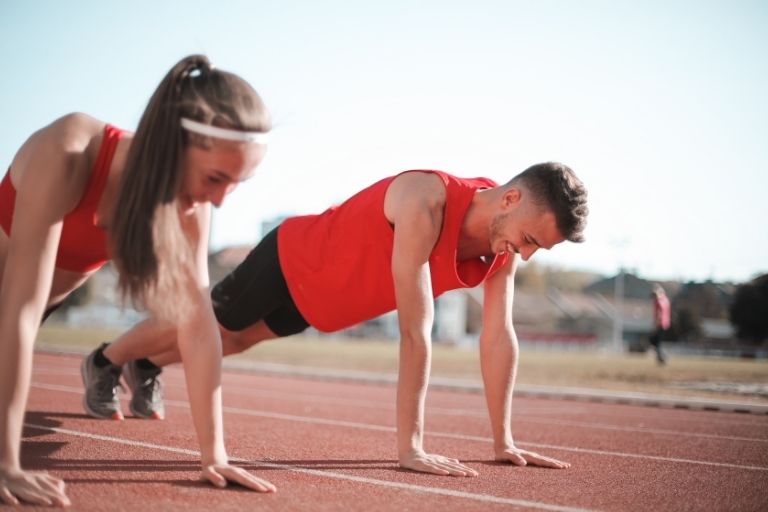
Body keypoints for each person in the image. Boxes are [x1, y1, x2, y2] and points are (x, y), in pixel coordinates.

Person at [91, 162, 589, 478]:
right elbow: (416, 332)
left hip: (326, 303)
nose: (526, 253)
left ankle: (146, 367)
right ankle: (106, 360)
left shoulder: (505, 252)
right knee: (214, 323)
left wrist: (502, 440)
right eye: (529, 239)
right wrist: (409, 448)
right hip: (294, 257)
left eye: (537, 248)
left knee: (236, 342)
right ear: (509, 199)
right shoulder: (426, 200)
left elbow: (499, 336)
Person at [0, 55, 277, 507]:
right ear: (171, 143)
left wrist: (215, 455)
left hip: (31, 309)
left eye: (237, 183)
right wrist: (6, 462)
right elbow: (18, 309)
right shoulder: (70, 151)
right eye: (215, 178)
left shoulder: (191, 207)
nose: (221, 200)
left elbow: (196, 322)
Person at [649, 284, 670, 365]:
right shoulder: (666, 300)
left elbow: (659, 314)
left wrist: (656, 324)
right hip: (665, 324)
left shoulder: (658, 301)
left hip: (660, 324)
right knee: (657, 342)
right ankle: (661, 357)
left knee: (654, 341)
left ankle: (662, 357)